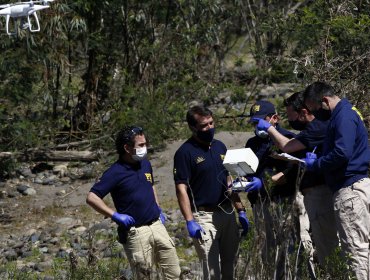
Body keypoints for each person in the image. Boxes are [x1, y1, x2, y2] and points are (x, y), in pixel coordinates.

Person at [254, 91, 340, 269]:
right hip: (301, 196)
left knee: (321, 245)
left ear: (302, 112)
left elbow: (287, 146)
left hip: (315, 194)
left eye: (290, 115)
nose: (290, 119)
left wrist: (269, 130)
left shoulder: (317, 127)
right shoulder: (252, 143)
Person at [86, 126, 181, 280]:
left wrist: (158, 207)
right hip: (136, 233)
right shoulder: (114, 172)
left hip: (157, 226)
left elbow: (151, 185)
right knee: (144, 276)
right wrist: (115, 215)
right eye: (141, 145)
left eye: (145, 144)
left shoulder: (145, 164)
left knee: (174, 273)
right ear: (127, 148)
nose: (145, 148)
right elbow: (92, 197)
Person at [302, 81, 370, 280]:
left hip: (350, 190)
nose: (315, 114)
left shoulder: (343, 116)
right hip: (356, 187)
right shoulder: (348, 113)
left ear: (324, 101)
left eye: (315, 109)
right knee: (361, 248)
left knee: (355, 250)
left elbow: (342, 152)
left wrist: (318, 164)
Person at [173, 105, 249, 280]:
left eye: (211, 123)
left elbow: (228, 180)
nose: (209, 128)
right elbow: (181, 188)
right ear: (193, 128)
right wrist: (190, 221)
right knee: (212, 270)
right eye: (204, 126)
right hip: (204, 216)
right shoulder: (185, 153)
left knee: (232, 266)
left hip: (227, 212)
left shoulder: (220, 146)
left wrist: (241, 210)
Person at [245, 100, 308, 278]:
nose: (257, 126)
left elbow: (291, 172)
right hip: (260, 203)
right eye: (254, 123)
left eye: (260, 122)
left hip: (284, 202)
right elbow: (247, 169)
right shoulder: (252, 143)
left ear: (274, 118)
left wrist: (265, 181)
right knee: (267, 251)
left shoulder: (288, 139)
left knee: (290, 249)